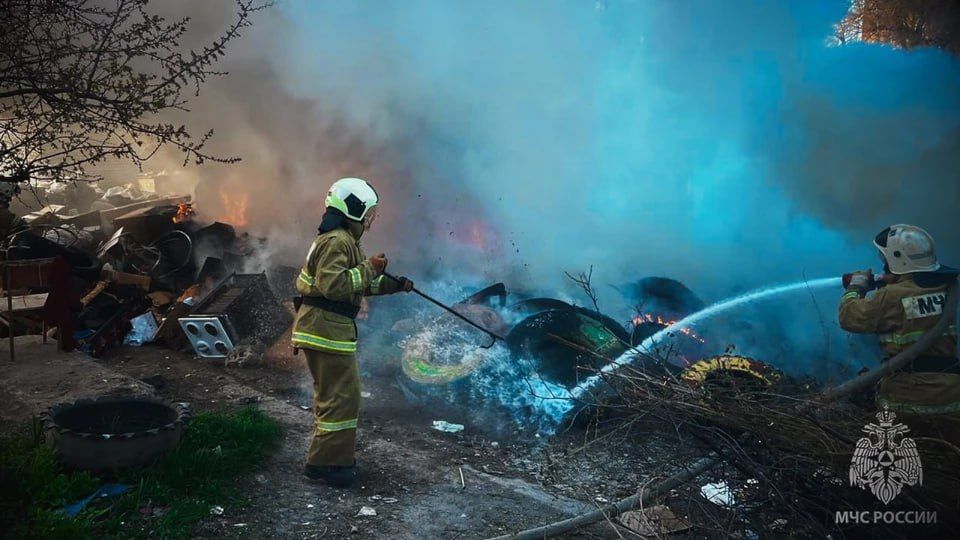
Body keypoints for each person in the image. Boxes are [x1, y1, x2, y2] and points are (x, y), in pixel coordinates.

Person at [293, 177, 413, 487]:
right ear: (354, 209)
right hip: (325, 329)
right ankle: (325, 466)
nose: (372, 219)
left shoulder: (344, 240)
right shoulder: (337, 241)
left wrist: (393, 284)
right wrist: (371, 268)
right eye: (369, 212)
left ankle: (332, 459)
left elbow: (357, 283)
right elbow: (335, 286)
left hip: (327, 328)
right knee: (342, 398)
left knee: (339, 396)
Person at [839, 224, 959, 448]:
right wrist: (894, 279)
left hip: (906, 399)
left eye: (885, 258)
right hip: (952, 398)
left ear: (898, 259)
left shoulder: (890, 297)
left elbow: (849, 317)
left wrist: (856, 288)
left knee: (901, 465)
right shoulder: (947, 287)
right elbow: (917, 289)